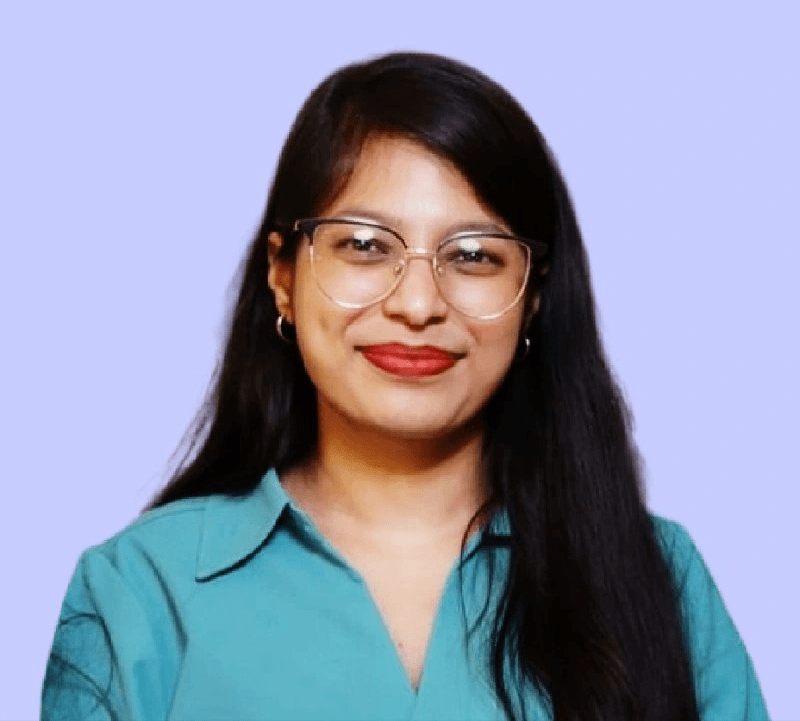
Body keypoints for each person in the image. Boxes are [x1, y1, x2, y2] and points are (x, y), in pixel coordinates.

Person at [41, 52, 769, 721]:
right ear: (282, 275)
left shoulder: (657, 579)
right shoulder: (137, 592)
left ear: (534, 297)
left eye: (474, 255)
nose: (418, 304)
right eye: (364, 245)